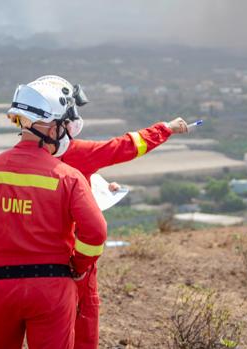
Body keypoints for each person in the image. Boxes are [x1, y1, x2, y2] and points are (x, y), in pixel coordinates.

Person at [10, 75, 189, 349]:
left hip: (17, 268)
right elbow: (127, 145)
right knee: (82, 326)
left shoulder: (11, 163)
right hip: (71, 262)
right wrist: (165, 128)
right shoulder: (80, 154)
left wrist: (98, 187)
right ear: (60, 119)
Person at [0, 79, 107, 349]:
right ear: (50, 126)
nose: (67, 133)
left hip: (1, 287)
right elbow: (95, 233)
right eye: (65, 125)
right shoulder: (68, 177)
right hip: (53, 289)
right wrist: (78, 267)